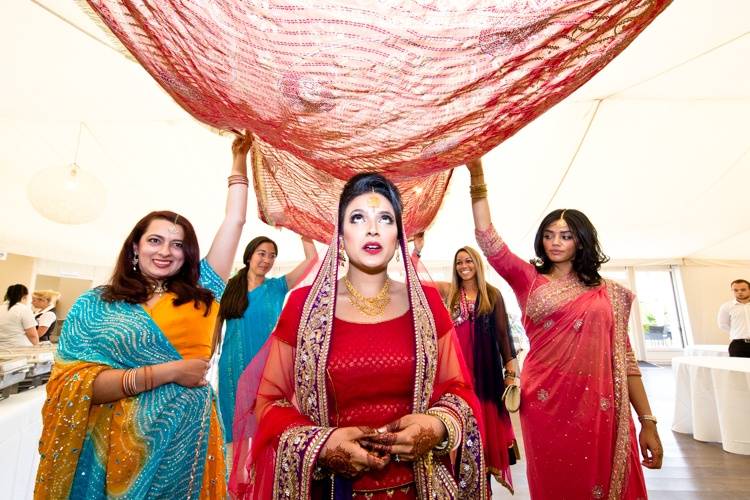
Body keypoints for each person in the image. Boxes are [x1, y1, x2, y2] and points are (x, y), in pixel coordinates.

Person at [230, 173, 487, 499]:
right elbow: (269, 401)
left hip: (420, 489)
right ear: (340, 234)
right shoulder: (304, 307)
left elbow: (459, 389)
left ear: (398, 234)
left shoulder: (427, 304)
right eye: (357, 218)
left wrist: (436, 427)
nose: (373, 229)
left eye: (385, 218)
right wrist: (322, 445)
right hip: (334, 489)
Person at [34, 132, 252, 499]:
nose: (166, 251)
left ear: (188, 254)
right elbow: (74, 384)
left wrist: (238, 162)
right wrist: (170, 371)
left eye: (178, 244)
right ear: (136, 246)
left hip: (183, 441)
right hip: (109, 447)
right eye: (155, 240)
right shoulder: (97, 304)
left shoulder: (202, 295)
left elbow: (235, 221)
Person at [466, 157, 662, 499]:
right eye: (549, 235)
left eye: (566, 236)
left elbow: (626, 360)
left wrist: (648, 421)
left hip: (601, 406)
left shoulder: (610, 293)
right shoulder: (529, 280)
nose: (555, 242)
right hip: (546, 404)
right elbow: (487, 237)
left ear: (581, 241)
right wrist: (477, 175)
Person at [410, 235, 518, 492]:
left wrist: (511, 373)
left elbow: (504, 337)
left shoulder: (492, 295)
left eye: (468, 260)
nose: (463, 266)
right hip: (456, 377)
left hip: (485, 377)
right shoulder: (450, 292)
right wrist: (416, 251)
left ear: (477, 264)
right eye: (459, 262)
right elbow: (415, 282)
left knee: (483, 436)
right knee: (458, 437)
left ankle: (484, 490)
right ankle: (460, 489)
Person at [218, 234, 318, 446]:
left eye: (272, 256)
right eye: (261, 254)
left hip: (267, 368)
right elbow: (214, 327)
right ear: (249, 256)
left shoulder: (277, 287)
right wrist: (204, 359)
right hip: (233, 365)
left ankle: (264, 476)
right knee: (237, 430)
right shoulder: (229, 288)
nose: (266, 260)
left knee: (267, 425)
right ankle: (238, 477)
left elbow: (311, 259)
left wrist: (302, 230)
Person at [717, 279, 750, 357]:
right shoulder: (726, 307)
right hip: (738, 346)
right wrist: (738, 332)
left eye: (743, 289)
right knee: (739, 369)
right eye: (736, 290)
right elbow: (723, 325)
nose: (739, 292)